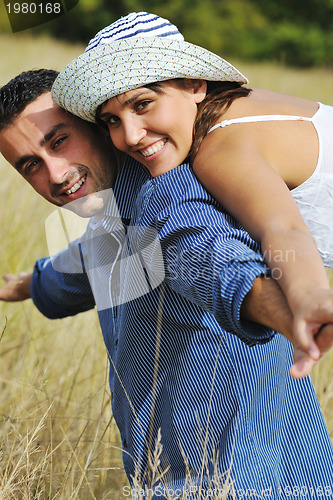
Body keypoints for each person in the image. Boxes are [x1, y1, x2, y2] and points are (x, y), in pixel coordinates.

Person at [1, 68, 333, 500]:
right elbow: (85, 263)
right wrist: (24, 284)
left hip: (235, 483)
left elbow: (213, 261)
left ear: (99, 123)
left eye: (59, 141)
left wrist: (293, 315)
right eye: (31, 166)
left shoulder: (167, 194)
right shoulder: (111, 214)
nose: (57, 175)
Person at [52, 11, 333, 368]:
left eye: (143, 104)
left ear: (195, 85)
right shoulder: (237, 104)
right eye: (112, 120)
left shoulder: (219, 151)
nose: (131, 136)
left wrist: (308, 295)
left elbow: (282, 227)